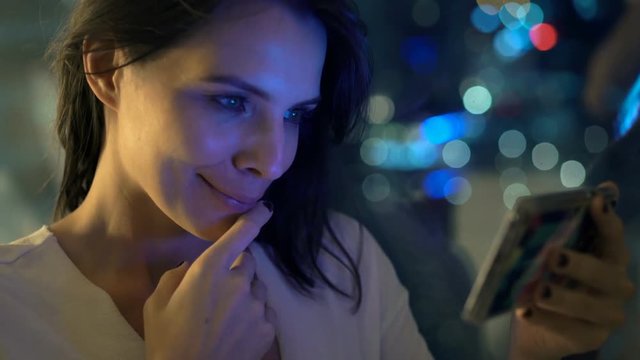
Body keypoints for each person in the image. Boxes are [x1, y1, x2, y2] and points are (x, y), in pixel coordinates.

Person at [0, 0, 633, 359]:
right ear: (108, 68)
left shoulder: (344, 262)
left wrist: (542, 351)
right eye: (230, 101)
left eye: (296, 115)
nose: (272, 159)